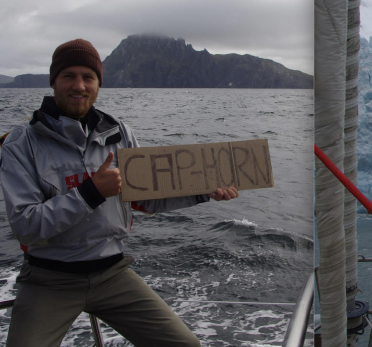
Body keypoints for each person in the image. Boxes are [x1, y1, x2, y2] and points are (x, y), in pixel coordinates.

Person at [0, 38, 239, 347]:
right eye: (68, 76)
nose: (79, 85)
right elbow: (26, 226)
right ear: (53, 81)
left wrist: (202, 191)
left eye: (88, 77)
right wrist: (90, 192)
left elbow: (147, 198)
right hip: (49, 281)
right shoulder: (21, 142)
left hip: (112, 275)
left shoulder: (120, 132)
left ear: (98, 83)